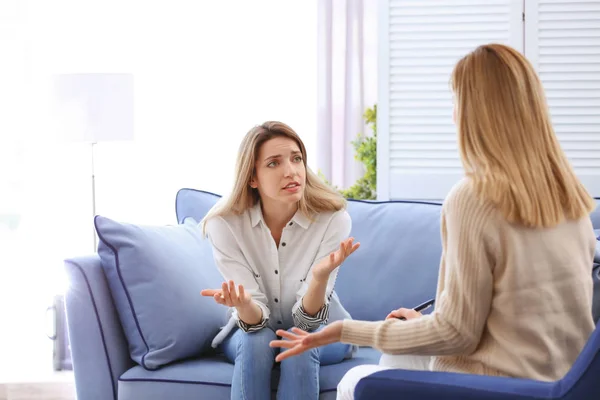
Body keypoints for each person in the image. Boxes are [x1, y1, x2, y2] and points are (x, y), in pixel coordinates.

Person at [269, 43, 598, 399]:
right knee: (397, 352)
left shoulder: (475, 198)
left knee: (355, 382)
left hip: (501, 387)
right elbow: (526, 322)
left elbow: (458, 334)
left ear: (479, 113)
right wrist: (425, 326)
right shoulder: (572, 198)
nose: (454, 115)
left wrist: (343, 330)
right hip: (563, 385)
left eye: (457, 102)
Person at [200, 121, 360, 400]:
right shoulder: (223, 225)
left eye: (296, 159)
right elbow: (256, 321)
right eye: (274, 163)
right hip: (252, 329)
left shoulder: (333, 220)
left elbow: (306, 323)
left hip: (321, 329)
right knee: (255, 341)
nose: (291, 171)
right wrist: (245, 304)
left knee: (300, 343)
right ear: (252, 178)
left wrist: (319, 279)